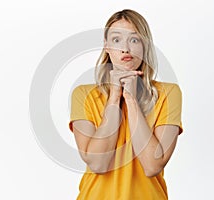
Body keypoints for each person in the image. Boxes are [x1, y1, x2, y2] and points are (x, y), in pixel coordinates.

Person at [69, 9, 183, 200]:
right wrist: (114, 96)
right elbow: (98, 163)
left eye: (134, 39)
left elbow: (152, 166)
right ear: (106, 47)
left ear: (145, 45)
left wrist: (130, 98)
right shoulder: (83, 94)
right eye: (116, 40)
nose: (125, 49)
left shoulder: (168, 93)